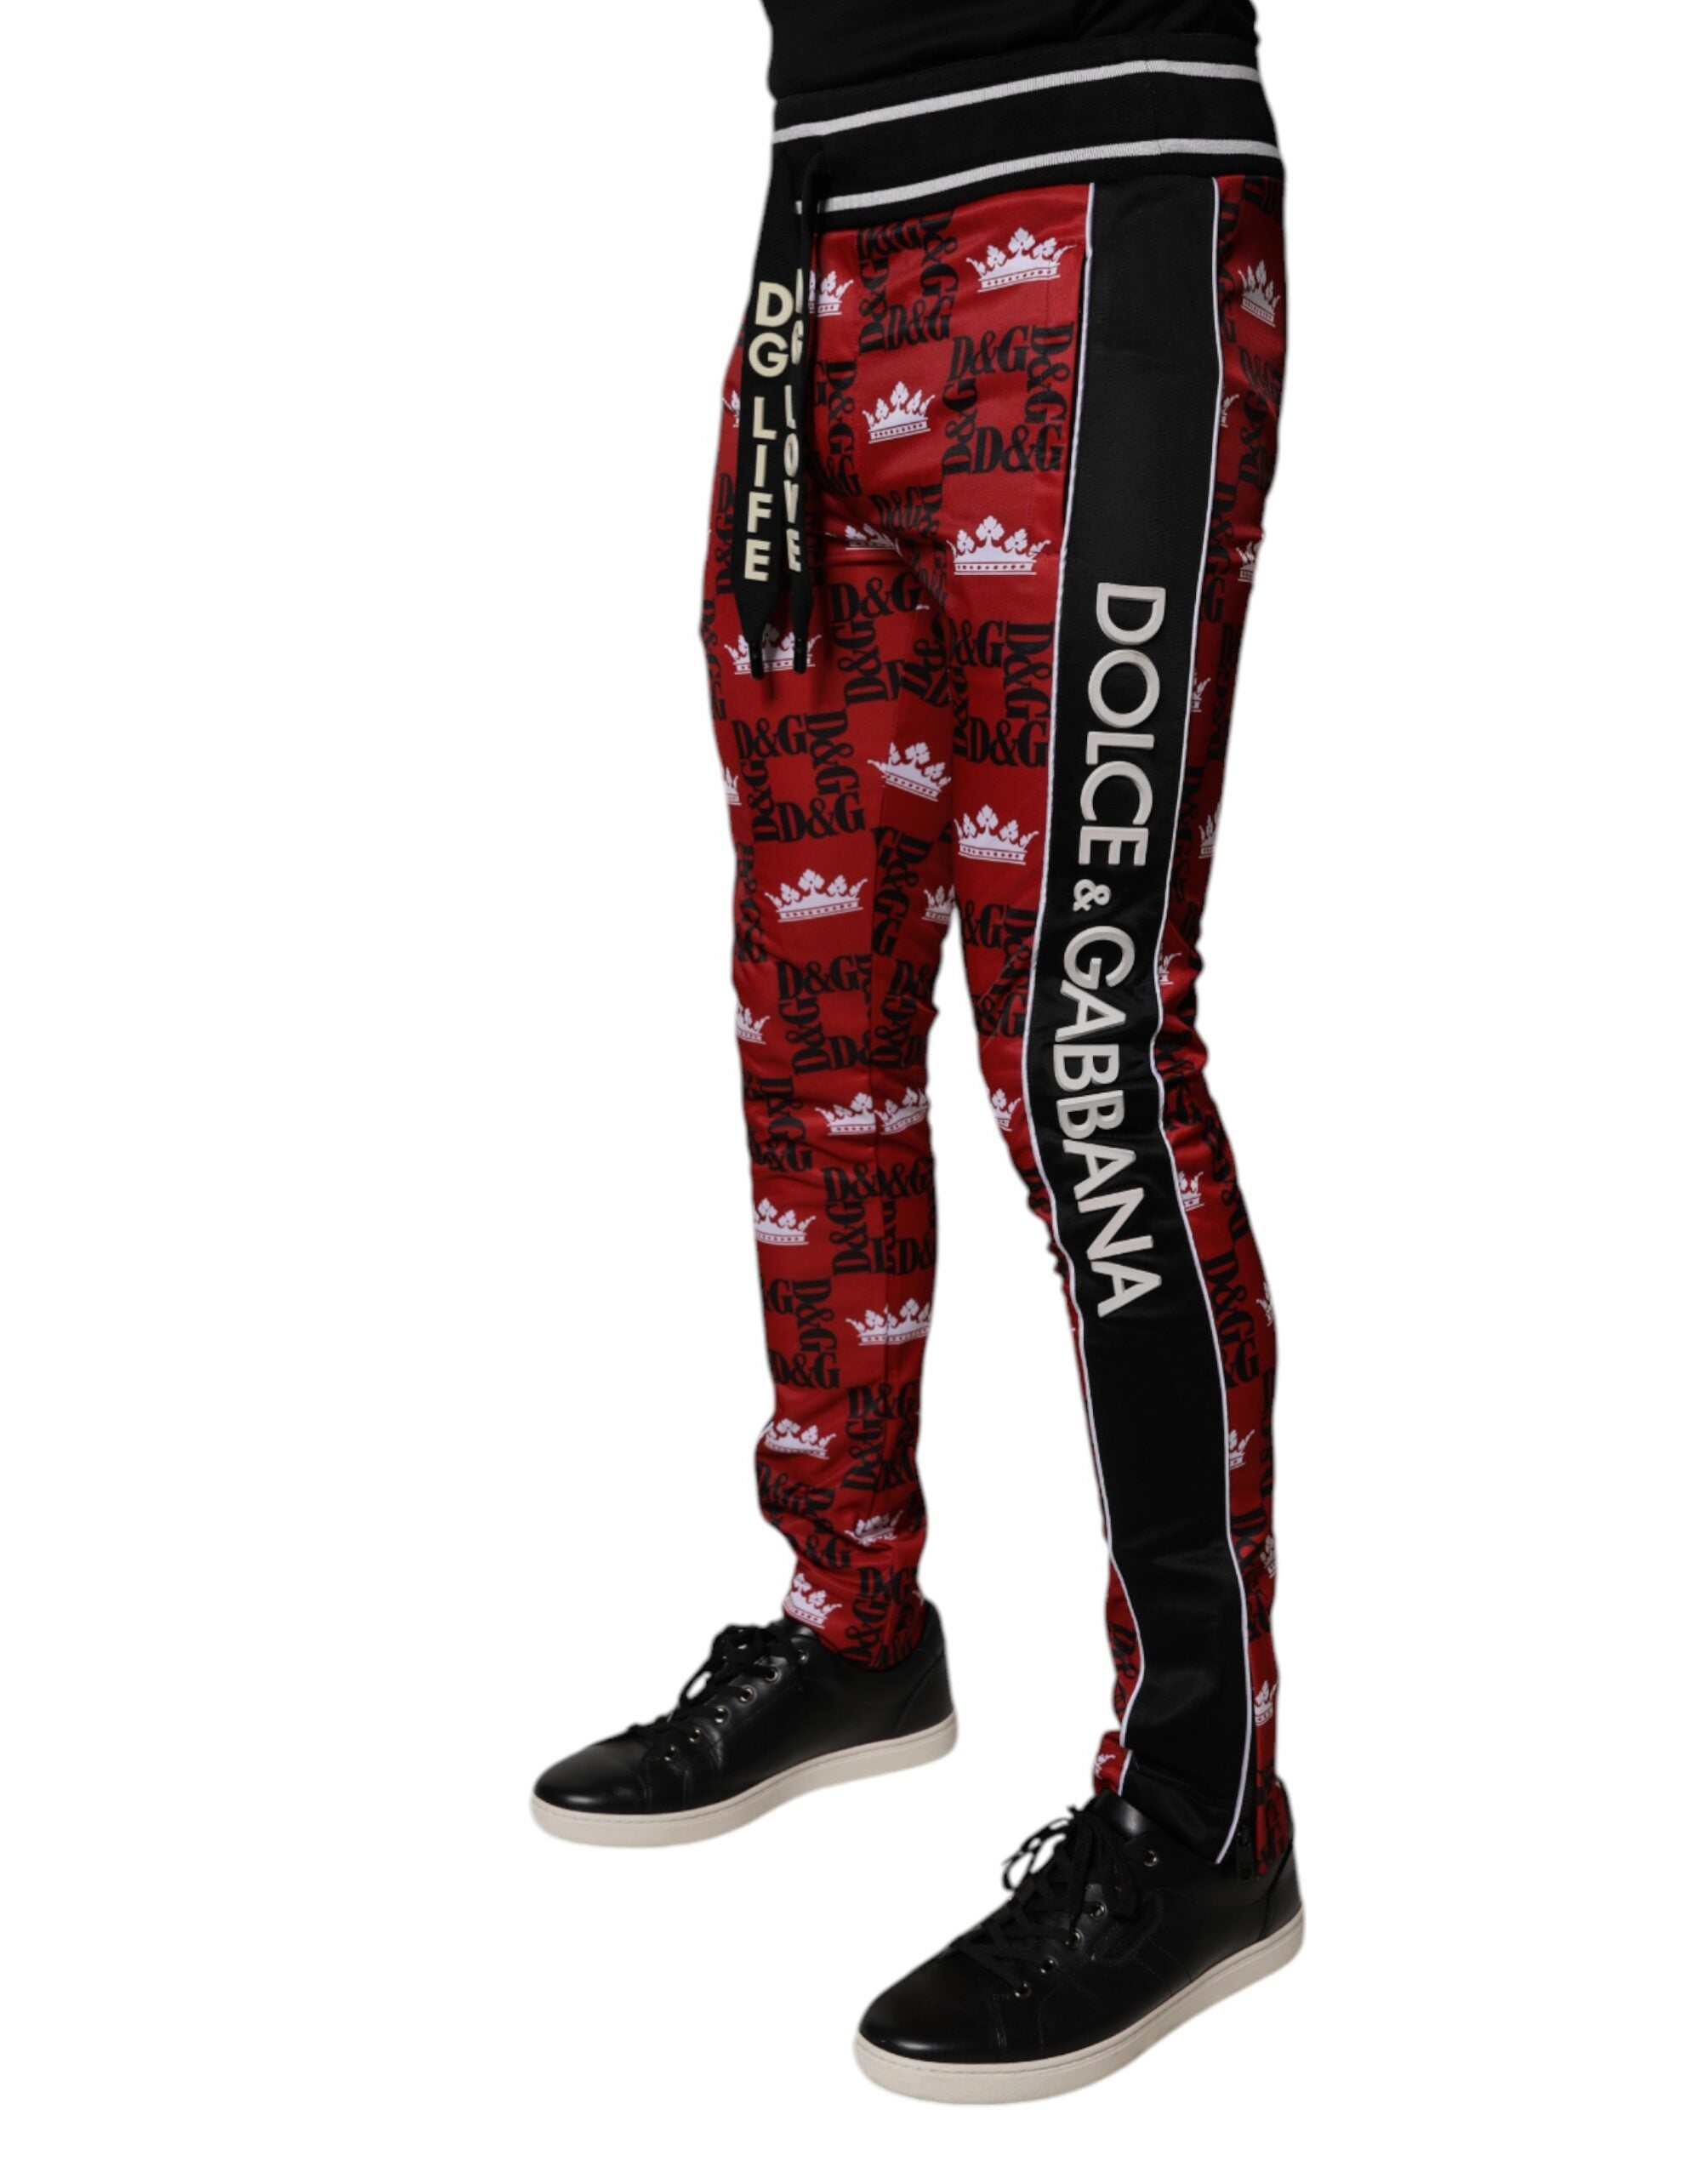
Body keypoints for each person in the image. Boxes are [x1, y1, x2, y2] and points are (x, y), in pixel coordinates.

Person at [533, 0, 1299, 2101]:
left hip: (1097, 196)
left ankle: (1201, 1813)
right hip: (821, 227)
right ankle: (853, 1612)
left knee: (1081, 1047)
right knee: (811, 1001)